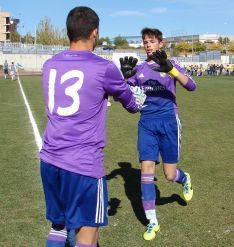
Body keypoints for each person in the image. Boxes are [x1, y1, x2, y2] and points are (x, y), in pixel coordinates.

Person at [39, 6, 145, 247]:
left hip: (49, 159)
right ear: (95, 32)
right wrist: (129, 82)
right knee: (88, 236)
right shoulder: (103, 67)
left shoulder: (49, 65)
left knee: (58, 226)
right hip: (83, 163)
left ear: (69, 32)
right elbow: (133, 105)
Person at [120, 27, 196, 241]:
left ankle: (184, 178)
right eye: (145, 41)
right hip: (146, 124)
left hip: (169, 123)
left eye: (152, 41)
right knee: (146, 170)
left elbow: (192, 86)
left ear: (161, 44)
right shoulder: (139, 69)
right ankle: (152, 222)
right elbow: (126, 99)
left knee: (169, 175)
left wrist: (171, 70)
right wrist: (126, 79)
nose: (148, 44)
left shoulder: (170, 65)